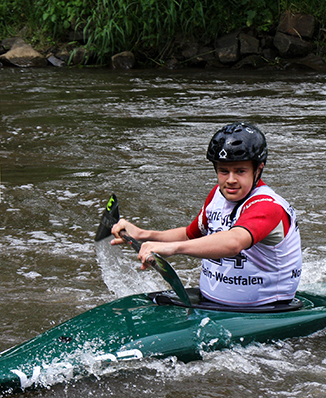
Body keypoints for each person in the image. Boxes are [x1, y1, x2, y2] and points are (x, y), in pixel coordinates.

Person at [111, 122, 302, 307]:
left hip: (266, 309)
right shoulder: (217, 196)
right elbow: (189, 234)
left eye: (240, 171)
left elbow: (234, 242)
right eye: (223, 171)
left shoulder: (268, 206)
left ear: (258, 170)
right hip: (211, 303)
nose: (231, 180)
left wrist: (173, 249)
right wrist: (143, 234)